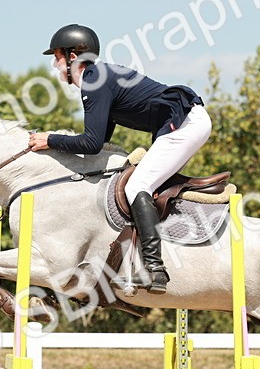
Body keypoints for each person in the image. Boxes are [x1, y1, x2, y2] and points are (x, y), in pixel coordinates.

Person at [28, 24, 211, 294]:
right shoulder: (99, 77)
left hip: (185, 124)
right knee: (141, 183)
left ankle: (154, 269)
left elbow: (90, 143)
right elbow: (100, 143)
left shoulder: (94, 80)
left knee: (136, 186)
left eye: (57, 56)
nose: (54, 64)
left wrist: (50, 139)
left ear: (74, 56)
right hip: (183, 123)